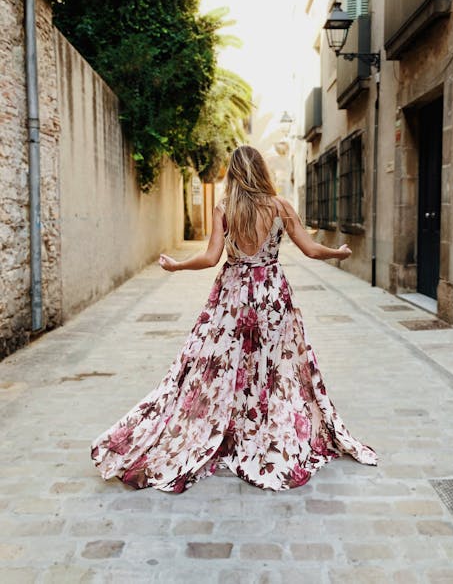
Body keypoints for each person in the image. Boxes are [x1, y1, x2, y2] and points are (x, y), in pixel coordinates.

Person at [90, 145, 377, 493]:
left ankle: (232, 428)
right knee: (271, 367)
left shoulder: (225, 208)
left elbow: (211, 257)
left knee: (223, 366)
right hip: (272, 296)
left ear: (233, 173)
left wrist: (177, 265)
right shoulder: (280, 206)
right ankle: (262, 430)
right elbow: (311, 249)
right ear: (262, 170)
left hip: (232, 298)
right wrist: (339, 253)